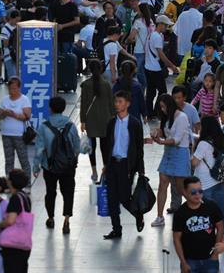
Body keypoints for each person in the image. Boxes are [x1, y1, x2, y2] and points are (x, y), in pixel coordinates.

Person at [99, 90, 146, 239]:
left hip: (127, 165)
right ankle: (116, 229)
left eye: (120, 102)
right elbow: (106, 144)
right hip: (113, 163)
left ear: (127, 104)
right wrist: (106, 164)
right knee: (112, 197)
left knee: (124, 197)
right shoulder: (111, 122)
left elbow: (139, 148)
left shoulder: (134, 123)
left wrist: (140, 170)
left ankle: (138, 214)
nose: (117, 104)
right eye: (116, 102)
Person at [172, 176, 224, 273]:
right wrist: (183, 262)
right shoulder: (180, 213)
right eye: (193, 192)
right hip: (190, 262)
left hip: (210, 260)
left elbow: (220, 227)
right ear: (184, 192)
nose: (198, 195)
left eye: (200, 191)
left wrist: (216, 253)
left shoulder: (211, 206)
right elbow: (176, 239)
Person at [33, 96, 80, 234]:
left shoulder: (44, 127)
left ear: (50, 109)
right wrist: (72, 159)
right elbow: (77, 146)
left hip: (50, 166)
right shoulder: (70, 125)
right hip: (68, 166)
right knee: (68, 192)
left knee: (50, 192)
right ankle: (66, 220)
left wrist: (36, 167)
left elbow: (39, 149)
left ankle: (51, 217)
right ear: (64, 108)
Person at [150, 94, 192, 227]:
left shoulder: (182, 117)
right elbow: (164, 131)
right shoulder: (167, 117)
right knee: (162, 184)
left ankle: (198, 208)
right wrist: (157, 133)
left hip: (180, 153)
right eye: (160, 107)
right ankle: (159, 216)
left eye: (163, 106)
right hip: (168, 153)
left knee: (180, 188)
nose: (162, 109)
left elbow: (177, 139)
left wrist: (161, 142)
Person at [0, 168, 32, 273]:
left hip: (13, 247)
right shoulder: (25, 197)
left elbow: (10, 220)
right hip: (24, 244)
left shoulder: (16, 199)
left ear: (12, 182)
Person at [80, 59, 114, 184]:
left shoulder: (86, 85)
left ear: (89, 69)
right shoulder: (106, 84)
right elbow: (111, 104)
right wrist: (113, 118)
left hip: (91, 119)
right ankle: (105, 169)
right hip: (105, 119)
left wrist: (82, 120)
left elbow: (84, 104)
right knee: (105, 147)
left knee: (91, 147)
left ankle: (94, 171)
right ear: (101, 69)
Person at [0, 78, 32, 186]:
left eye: (14, 88)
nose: (12, 91)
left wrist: (14, 114)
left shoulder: (24, 100)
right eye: (10, 88)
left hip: (19, 135)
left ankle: (27, 183)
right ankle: (9, 184)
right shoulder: (5, 100)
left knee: (23, 160)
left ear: (19, 88)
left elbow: (27, 116)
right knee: (9, 161)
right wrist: (3, 113)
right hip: (6, 134)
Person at [192, 116, 224, 211]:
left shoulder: (203, 143)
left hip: (205, 183)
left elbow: (194, 162)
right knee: (220, 211)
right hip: (218, 180)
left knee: (206, 213)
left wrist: (193, 147)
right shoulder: (220, 140)